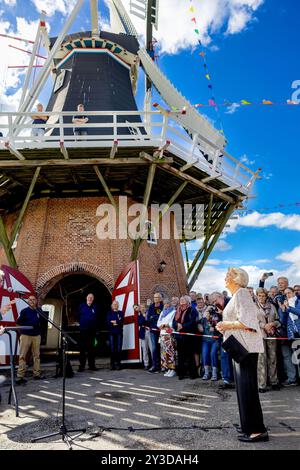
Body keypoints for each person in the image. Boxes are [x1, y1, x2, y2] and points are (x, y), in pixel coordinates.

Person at [216, 267, 268, 443]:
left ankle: (256, 430)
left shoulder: (242, 293)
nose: (225, 278)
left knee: (248, 389)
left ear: (236, 279)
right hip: (240, 346)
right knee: (243, 389)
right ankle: (249, 426)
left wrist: (225, 324)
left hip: (246, 347)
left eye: (228, 275)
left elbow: (247, 321)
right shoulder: (237, 295)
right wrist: (225, 325)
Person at [256, 288, 280, 392]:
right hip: (260, 336)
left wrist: (273, 324)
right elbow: (252, 322)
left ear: (266, 296)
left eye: (263, 295)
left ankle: (274, 381)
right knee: (261, 360)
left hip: (271, 335)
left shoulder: (272, 307)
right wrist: (264, 325)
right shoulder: (253, 307)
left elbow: (278, 321)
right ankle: (261, 384)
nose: (261, 297)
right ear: (257, 296)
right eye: (259, 295)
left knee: (273, 358)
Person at [16, 295, 45, 383]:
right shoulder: (24, 311)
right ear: (28, 301)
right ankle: (20, 376)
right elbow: (18, 322)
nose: (32, 301)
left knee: (37, 356)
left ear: (36, 301)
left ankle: (37, 374)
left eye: (33, 300)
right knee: (22, 356)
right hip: (26, 335)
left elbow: (43, 322)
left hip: (36, 335)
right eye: (30, 300)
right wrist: (21, 332)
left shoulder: (39, 311)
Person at [209, 292, 234, 389]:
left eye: (215, 301)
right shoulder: (216, 307)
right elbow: (215, 321)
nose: (215, 303)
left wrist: (223, 313)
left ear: (220, 297)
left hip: (234, 334)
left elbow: (235, 317)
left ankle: (236, 378)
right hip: (222, 335)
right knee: (224, 356)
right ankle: (227, 379)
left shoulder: (230, 303)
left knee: (235, 357)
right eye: (213, 302)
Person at [278, 287, 300, 386]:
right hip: (291, 334)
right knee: (291, 357)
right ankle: (292, 379)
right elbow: (283, 321)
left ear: (294, 293)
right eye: (285, 294)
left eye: (289, 293)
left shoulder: (298, 301)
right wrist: (283, 310)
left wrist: (289, 308)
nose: (287, 295)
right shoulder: (284, 305)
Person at [173, 295, 198, 380]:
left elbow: (193, 322)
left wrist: (182, 326)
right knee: (181, 355)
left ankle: (192, 373)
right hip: (179, 336)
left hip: (189, 335)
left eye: (183, 300)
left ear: (188, 301)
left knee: (190, 355)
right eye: (181, 300)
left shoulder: (192, 310)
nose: (182, 301)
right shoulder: (178, 310)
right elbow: (173, 322)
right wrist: (177, 325)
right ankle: (181, 373)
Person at [77, 293, 99, 372]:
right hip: (83, 330)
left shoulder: (95, 306)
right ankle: (81, 366)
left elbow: (98, 317)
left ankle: (92, 365)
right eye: (89, 297)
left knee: (92, 349)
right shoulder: (81, 306)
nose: (90, 298)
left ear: (93, 299)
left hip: (92, 331)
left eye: (91, 297)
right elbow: (77, 315)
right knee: (82, 349)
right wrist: (82, 323)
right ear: (86, 298)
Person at [157, 298, 176, 377]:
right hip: (162, 334)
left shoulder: (173, 311)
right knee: (164, 353)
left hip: (169, 334)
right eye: (165, 304)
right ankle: (167, 368)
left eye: (167, 303)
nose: (166, 305)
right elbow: (158, 322)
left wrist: (166, 325)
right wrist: (160, 325)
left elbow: (172, 322)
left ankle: (173, 369)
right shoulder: (162, 312)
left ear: (170, 304)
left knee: (170, 352)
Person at [201, 306, 222, 381]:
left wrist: (215, 328)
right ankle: (206, 372)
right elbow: (198, 324)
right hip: (205, 340)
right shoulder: (203, 319)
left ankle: (214, 373)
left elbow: (221, 327)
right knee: (205, 353)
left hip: (215, 340)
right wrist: (199, 326)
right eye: (207, 310)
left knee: (213, 353)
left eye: (210, 310)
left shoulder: (216, 318)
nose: (208, 312)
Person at [147, 293, 164, 373]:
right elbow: (148, 318)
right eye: (154, 297)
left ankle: (163, 366)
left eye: (157, 297)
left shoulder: (163, 306)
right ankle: (155, 365)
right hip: (153, 331)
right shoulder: (151, 307)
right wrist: (155, 317)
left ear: (160, 298)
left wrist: (154, 317)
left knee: (162, 348)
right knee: (154, 348)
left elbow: (163, 317)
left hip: (162, 331)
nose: (155, 299)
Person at [107, 300, 124, 370]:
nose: (115, 305)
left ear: (118, 305)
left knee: (119, 349)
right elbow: (108, 322)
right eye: (114, 304)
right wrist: (116, 321)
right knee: (112, 349)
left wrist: (114, 321)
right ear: (112, 305)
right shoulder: (109, 313)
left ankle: (118, 364)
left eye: (116, 304)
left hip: (119, 332)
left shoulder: (121, 313)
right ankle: (112, 364)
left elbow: (121, 321)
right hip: (111, 333)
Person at [137, 303, 150, 370]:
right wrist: (144, 317)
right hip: (143, 333)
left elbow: (149, 322)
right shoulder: (139, 315)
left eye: (143, 307)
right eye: (141, 307)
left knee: (151, 349)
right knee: (145, 350)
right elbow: (139, 323)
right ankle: (146, 364)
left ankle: (154, 364)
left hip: (149, 332)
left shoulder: (149, 313)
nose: (142, 308)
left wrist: (146, 318)